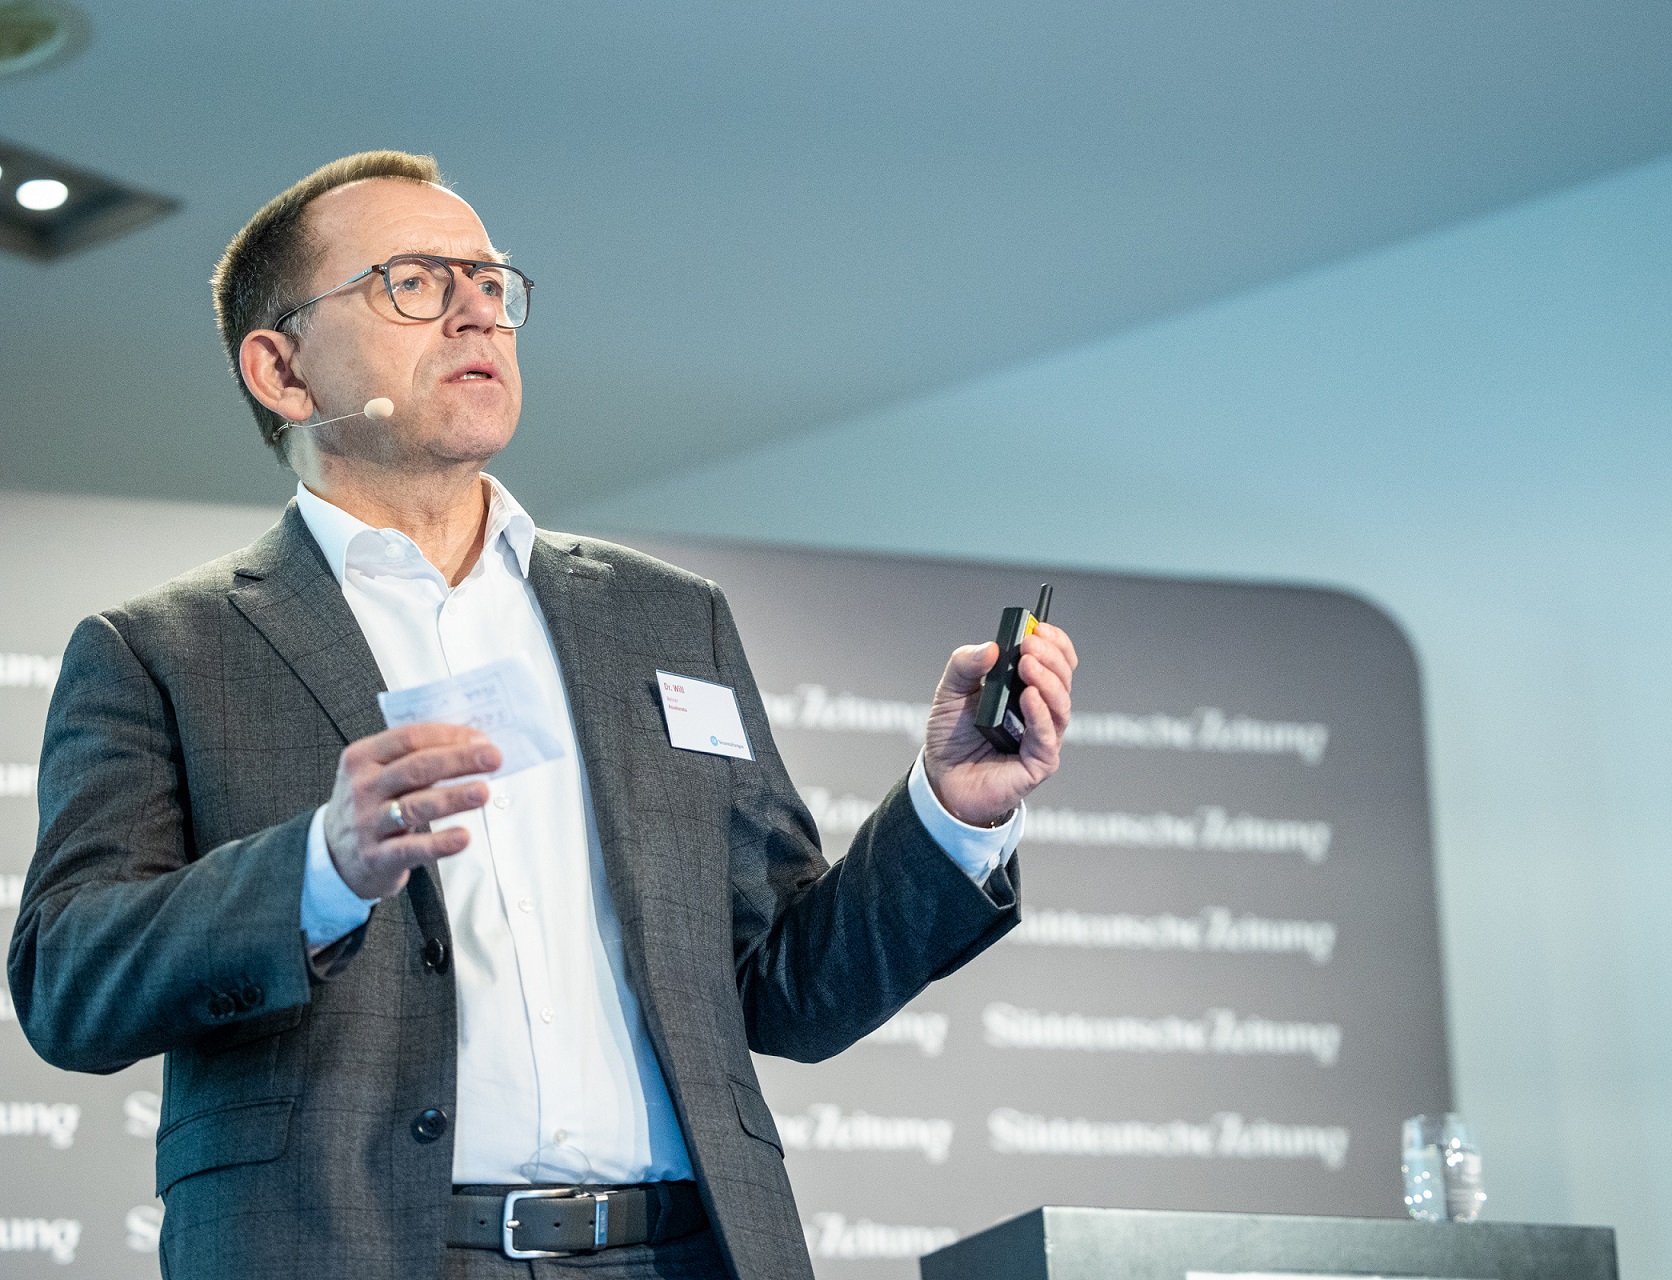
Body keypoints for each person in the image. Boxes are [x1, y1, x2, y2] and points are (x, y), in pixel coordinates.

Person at [7, 151, 1077, 1280]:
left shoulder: (668, 618)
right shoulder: (162, 650)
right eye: (412, 282)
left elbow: (788, 991)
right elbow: (69, 983)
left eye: (490, 281)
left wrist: (951, 812)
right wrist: (320, 870)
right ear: (282, 369)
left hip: (681, 1255)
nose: (477, 310)